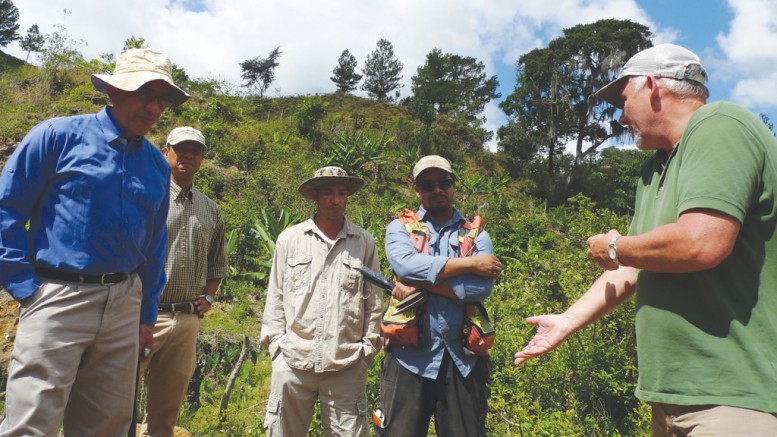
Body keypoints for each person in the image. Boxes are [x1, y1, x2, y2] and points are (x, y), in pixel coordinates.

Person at [514, 44, 777, 435]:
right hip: (670, 399)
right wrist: (566, 321)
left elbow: (701, 242)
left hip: (733, 397)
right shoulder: (653, 171)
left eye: (623, 100)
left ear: (652, 85)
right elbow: (637, 265)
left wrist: (616, 246)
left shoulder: (721, 123)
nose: (620, 118)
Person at [0, 48, 189, 437]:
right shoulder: (58, 136)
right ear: (114, 91)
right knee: (31, 422)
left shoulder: (155, 164)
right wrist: (25, 288)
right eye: (145, 92)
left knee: (106, 427)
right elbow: (7, 209)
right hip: (58, 296)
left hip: (124, 303)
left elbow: (154, 245)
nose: (154, 107)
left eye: (163, 99)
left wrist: (146, 314)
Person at [380, 155, 502, 436]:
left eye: (444, 182)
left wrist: (421, 283)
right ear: (417, 189)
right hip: (409, 358)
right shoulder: (400, 228)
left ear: (453, 184)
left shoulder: (477, 234)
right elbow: (405, 266)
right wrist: (470, 264)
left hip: (463, 358)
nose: (437, 189)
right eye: (428, 184)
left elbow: (482, 288)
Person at [260, 166, 383, 436]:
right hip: (293, 362)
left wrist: (367, 352)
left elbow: (374, 302)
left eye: (341, 193)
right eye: (328, 192)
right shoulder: (290, 240)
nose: (335, 199)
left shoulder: (364, 243)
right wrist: (277, 349)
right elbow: (276, 297)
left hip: (346, 365)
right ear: (315, 196)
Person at [138, 126, 228, 436]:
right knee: (118, 395)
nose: (189, 155)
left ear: (202, 158)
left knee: (166, 408)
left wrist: (210, 297)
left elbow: (217, 262)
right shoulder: (148, 196)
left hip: (187, 319)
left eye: (196, 150)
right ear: (166, 153)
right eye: (181, 148)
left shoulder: (211, 209)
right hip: (144, 316)